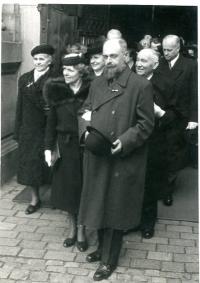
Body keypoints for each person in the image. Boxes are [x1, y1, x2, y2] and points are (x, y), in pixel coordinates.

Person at [78, 38, 154, 280]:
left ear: (126, 56)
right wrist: (85, 130)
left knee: (115, 208)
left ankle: (108, 261)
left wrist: (125, 141)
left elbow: (146, 124)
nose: (108, 61)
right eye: (105, 56)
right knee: (99, 203)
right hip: (98, 153)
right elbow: (85, 110)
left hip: (122, 158)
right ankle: (102, 250)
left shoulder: (140, 86)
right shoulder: (97, 83)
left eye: (114, 56)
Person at [44, 53, 90, 252]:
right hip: (65, 147)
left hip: (86, 147)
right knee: (69, 191)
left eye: (70, 70)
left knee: (84, 190)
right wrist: (48, 147)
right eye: (64, 70)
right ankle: (73, 229)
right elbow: (51, 123)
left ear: (80, 71)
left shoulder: (91, 91)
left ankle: (82, 230)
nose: (66, 73)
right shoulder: (57, 91)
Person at [135, 48, 177, 238]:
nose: (139, 64)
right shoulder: (129, 81)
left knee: (148, 184)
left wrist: (160, 113)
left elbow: (175, 116)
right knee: (131, 182)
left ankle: (147, 223)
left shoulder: (165, 85)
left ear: (155, 64)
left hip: (153, 142)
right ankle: (131, 220)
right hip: (131, 140)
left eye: (144, 61)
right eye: (137, 60)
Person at [13, 44, 55, 215]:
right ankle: (34, 198)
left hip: (48, 128)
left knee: (51, 164)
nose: (38, 62)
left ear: (50, 60)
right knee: (31, 165)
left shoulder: (56, 79)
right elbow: (20, 106)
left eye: (42, 59)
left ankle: (57, 198)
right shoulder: (25, 79)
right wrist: (18, 130)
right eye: (36, 59)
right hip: (29, 129)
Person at [158, 35, 198, 206]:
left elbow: (195, 93)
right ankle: (159, 186)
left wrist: (194, 118)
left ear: (178, 49)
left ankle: (167, 190)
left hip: (179, 116)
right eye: (163, 49)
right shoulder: (159, 63)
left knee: (172, 153)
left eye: (169, 50)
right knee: (159, 152)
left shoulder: (190, 65)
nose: (165, 53)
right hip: (160, 115)